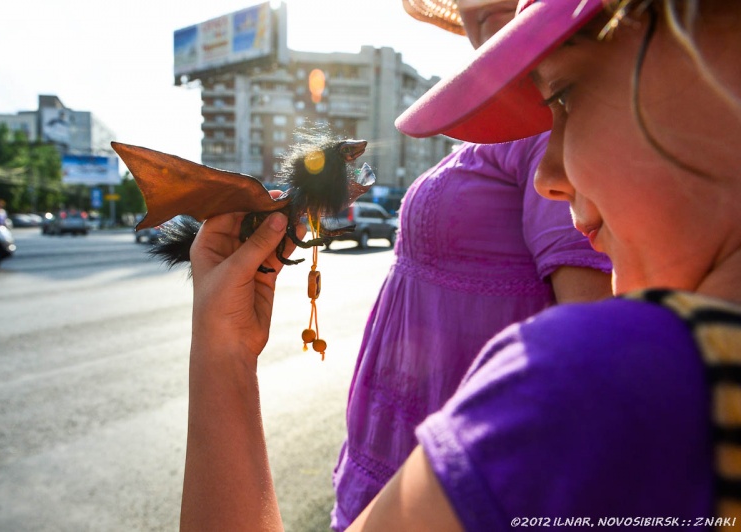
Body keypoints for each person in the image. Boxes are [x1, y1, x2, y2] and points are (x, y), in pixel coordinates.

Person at [180, 0, 741, 529]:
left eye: (566, 94)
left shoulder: (591, 380)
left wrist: (223, 350)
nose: (550, 176)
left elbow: (598, 359)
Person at [330, 1, 612, 528]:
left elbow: (590, 341)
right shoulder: (495, 133)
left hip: (454, 481)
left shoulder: (547, 130)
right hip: (400, 458)